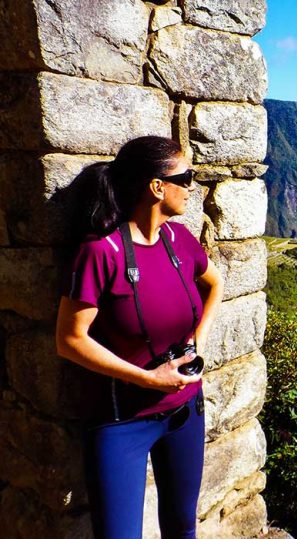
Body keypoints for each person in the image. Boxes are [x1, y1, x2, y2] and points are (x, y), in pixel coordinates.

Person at [55, 136, 224, 538]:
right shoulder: (101, 253)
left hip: (185, 411)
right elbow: (69, 339)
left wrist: (197, 341)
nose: (192, 186)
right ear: (156, 186)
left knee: (183, 526)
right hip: (121, 421)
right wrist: (148, 379)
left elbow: (214, 284)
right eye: (185, 177)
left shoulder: (179, 240)